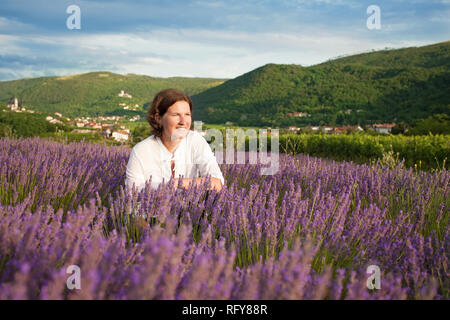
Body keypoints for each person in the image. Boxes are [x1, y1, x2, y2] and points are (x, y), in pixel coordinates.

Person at [125, 88, 224, 194]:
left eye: (187, 114)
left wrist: (176, 183)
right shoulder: (141, 151)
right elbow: (132, 199)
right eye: (176, 115)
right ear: (158, 118)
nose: (183, 121)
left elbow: (217, 183)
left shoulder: (195, 141)